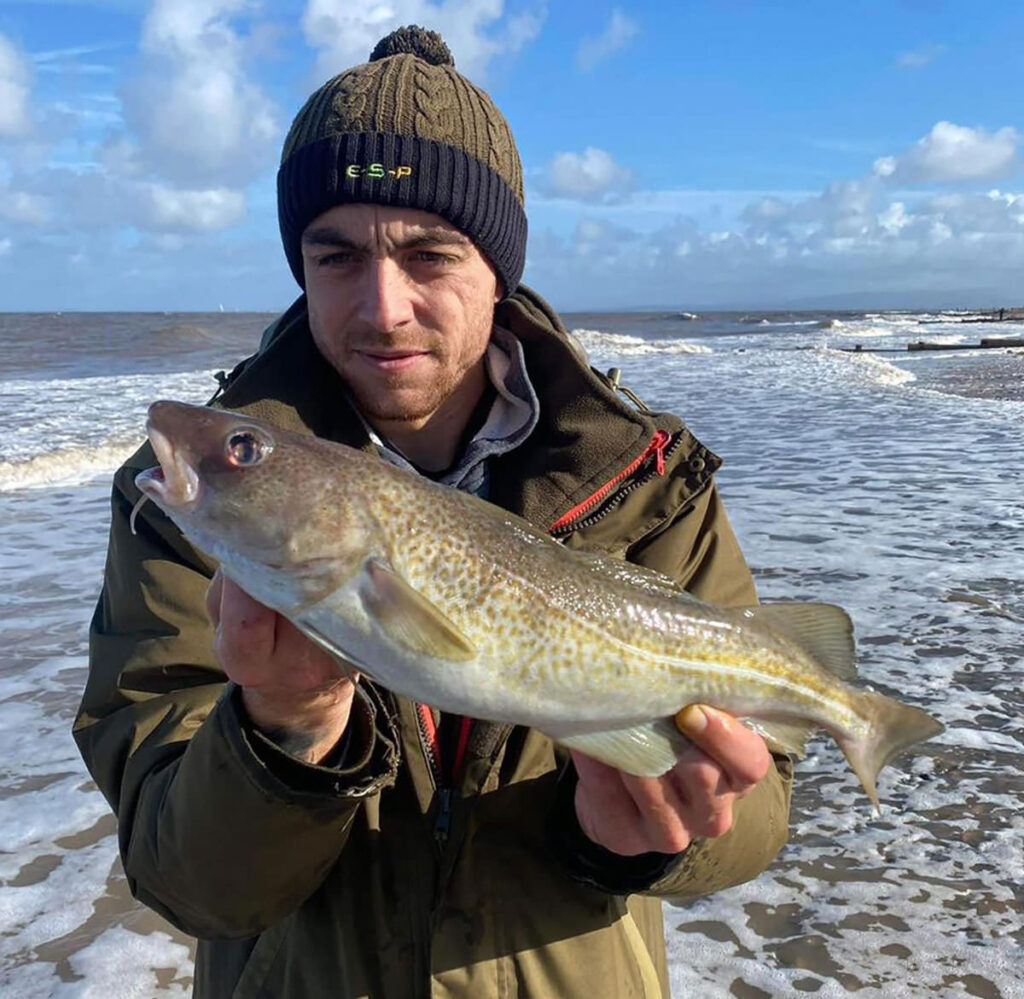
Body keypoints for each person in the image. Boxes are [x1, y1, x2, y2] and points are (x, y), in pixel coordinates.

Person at [74, 26, 792, 998]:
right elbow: (183, 879)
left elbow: (759, 812)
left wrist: (655, 839)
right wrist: (280, 733)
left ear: (500, 267)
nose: (382, 305)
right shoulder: (197, 511)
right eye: (334, 256)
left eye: (428, 254)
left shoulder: (650, 481)